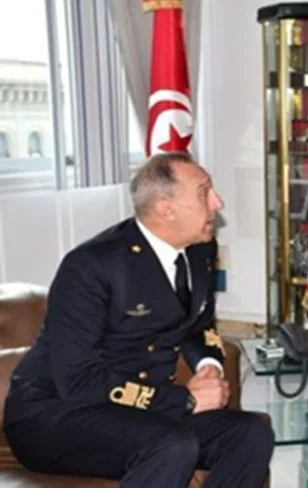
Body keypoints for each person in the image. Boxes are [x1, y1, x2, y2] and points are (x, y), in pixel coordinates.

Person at [2, 152, 275, 487]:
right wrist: (185, 400)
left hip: (142, 412)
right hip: (53, 415)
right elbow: (78, 381)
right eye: (204, 192)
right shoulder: (91, 266)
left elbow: (197, 325)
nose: (218, 203)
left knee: (250, 434)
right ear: (165, 208)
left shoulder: (199, 250)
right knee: (171, 445)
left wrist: (209, 366)